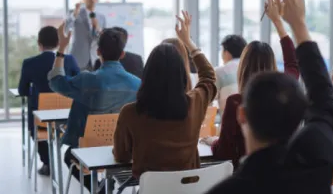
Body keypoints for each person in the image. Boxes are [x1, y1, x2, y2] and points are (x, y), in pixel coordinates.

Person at [205, 0, 333, 194]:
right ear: (298, 113)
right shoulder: (317, 160)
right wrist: (294, 24)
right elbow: (320, 92)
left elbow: (223, 151)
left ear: (242, 115)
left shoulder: (227, 190)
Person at [201, 0, 300, 168]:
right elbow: (292, 63)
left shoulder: (236, 102)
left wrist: (211, 141)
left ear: (243, 67)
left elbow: (223, 151)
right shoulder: (285, 96)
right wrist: (278, 21)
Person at [113, 11, 217, 178]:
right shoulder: (194, 103)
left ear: (147, 74)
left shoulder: (130, 112)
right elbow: (209, 77)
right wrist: (189, 43)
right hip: (190, 189)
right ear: (182, 73)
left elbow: (121, 156)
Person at [48, 26, 140, 193]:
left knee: (69, 157)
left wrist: (61, 48)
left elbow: (56, 81)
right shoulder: (137, 84)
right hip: (125, 151)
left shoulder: (87, 80)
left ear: (98, 52)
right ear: (122, 54)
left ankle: (98, 190)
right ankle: (105, 188)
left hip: (87, 150)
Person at [18, 26, 80, 176]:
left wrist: (38, 93)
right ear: (59, 43)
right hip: (67, 118)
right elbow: (78, 84)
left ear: (39, 43)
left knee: (35, 128)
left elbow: (22, 91)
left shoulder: (29, 63)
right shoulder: (70, 60)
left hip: (41, 121)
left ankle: (47, 162)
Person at [65, 0, 107, 71]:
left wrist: (97, 27)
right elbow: (66, 30)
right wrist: (74, 15)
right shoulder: (75, 13)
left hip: (96, 59)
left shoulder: (101, 17)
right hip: (78, 59)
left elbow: (103, 39)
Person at [215, 35, 247, 114]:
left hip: (229, 119)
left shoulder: (219, 71)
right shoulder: (250, 68)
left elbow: (211, 99)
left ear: (227, 53)